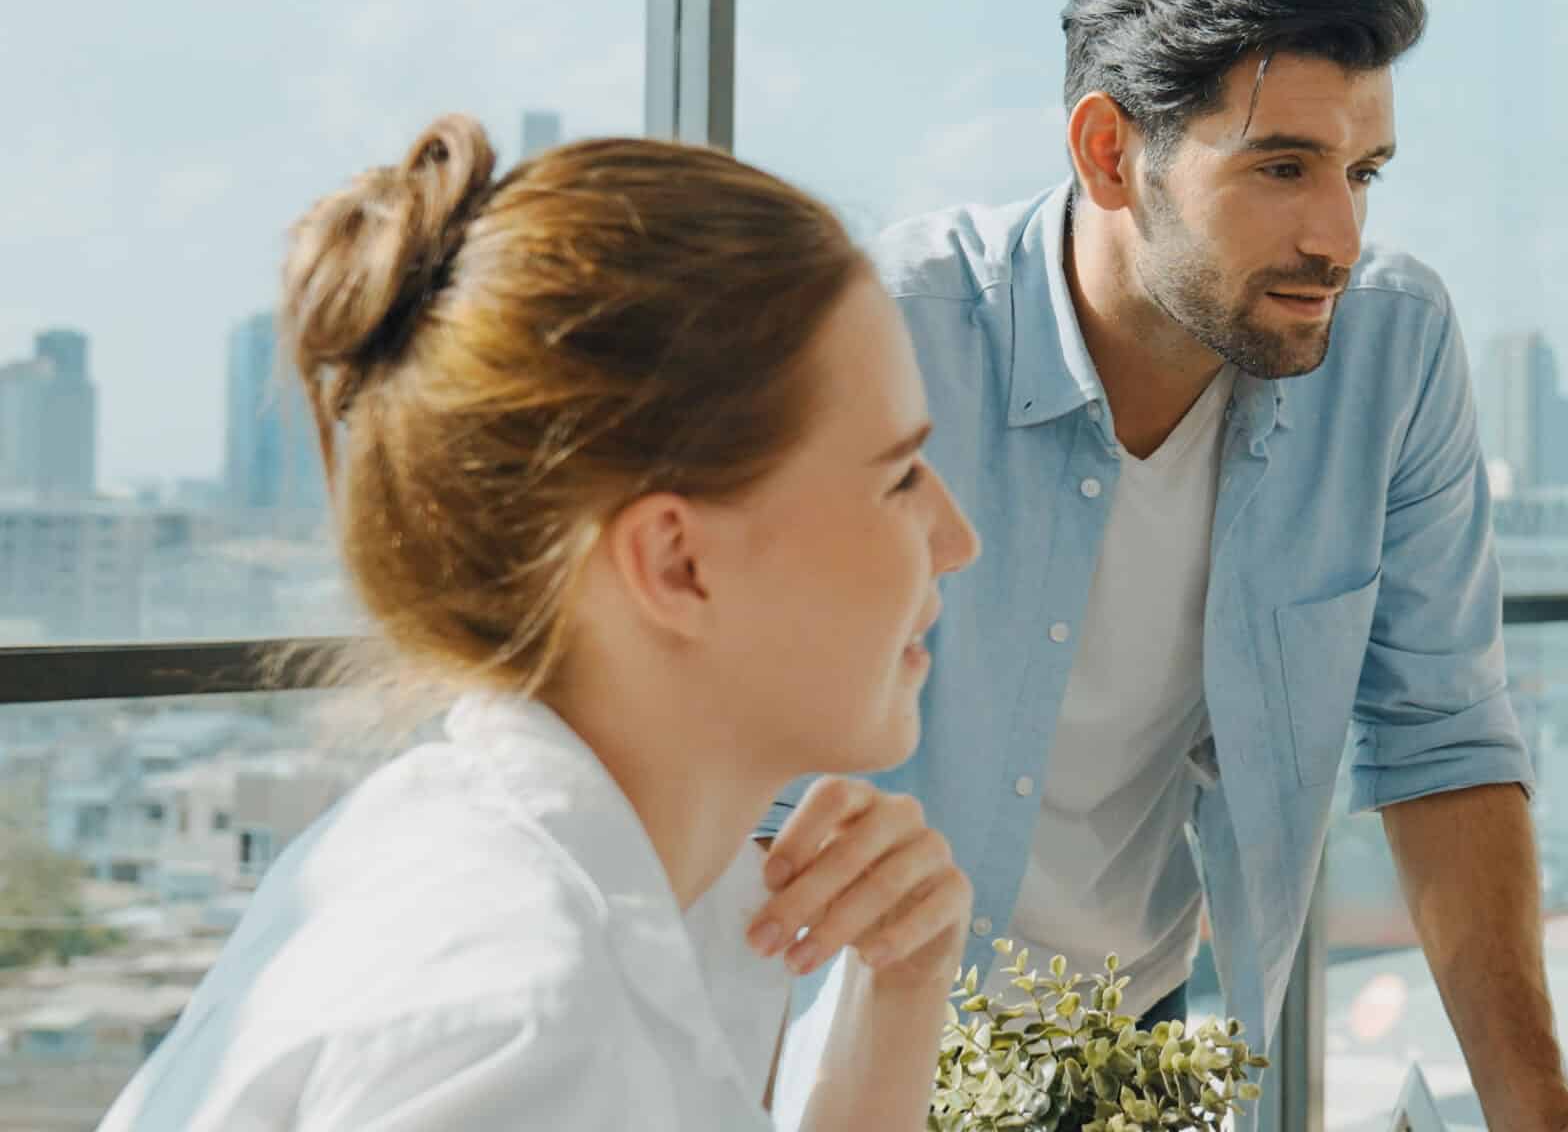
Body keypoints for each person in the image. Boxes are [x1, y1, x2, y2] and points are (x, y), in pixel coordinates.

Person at [762, 0, 1568, 1132]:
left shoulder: (1392, 348)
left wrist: (1534, 1105)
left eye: (1363, 173)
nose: (1338, 237)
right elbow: (743, 766)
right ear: (1109, 152)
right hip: (846, 1044)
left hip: (1138, 1038)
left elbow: (1438, 736)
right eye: (1281, 167)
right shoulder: (888, 339)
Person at [100, 117, 982, 1130]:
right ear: (675, 564)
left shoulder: (538, 877)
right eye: (899, 476)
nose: (955, 538)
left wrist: (900, 997)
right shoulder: (524, 1032)